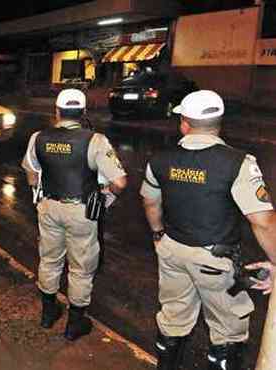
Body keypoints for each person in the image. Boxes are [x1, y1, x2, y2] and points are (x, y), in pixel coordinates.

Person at [140, 90, 276, 370]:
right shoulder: (237, 163)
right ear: (219, 123)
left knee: (173, 317)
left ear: (184, 124)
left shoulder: (160, 159)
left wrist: (157, 234)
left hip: (172, 251)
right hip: (214, 260)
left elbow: (150, 202)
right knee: (228, 329)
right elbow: (263, 221)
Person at [21, 89, 127, 340]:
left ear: (56, 112)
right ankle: (74, 325)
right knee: (81, 267)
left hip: (49, 206)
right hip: (82, 211)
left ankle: (48, 314)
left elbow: (31, 172)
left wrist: (39, 198)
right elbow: (120, 182)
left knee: (49, 260)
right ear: (83, 113)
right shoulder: (95, 140)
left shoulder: (38, 138)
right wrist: (105, 198)